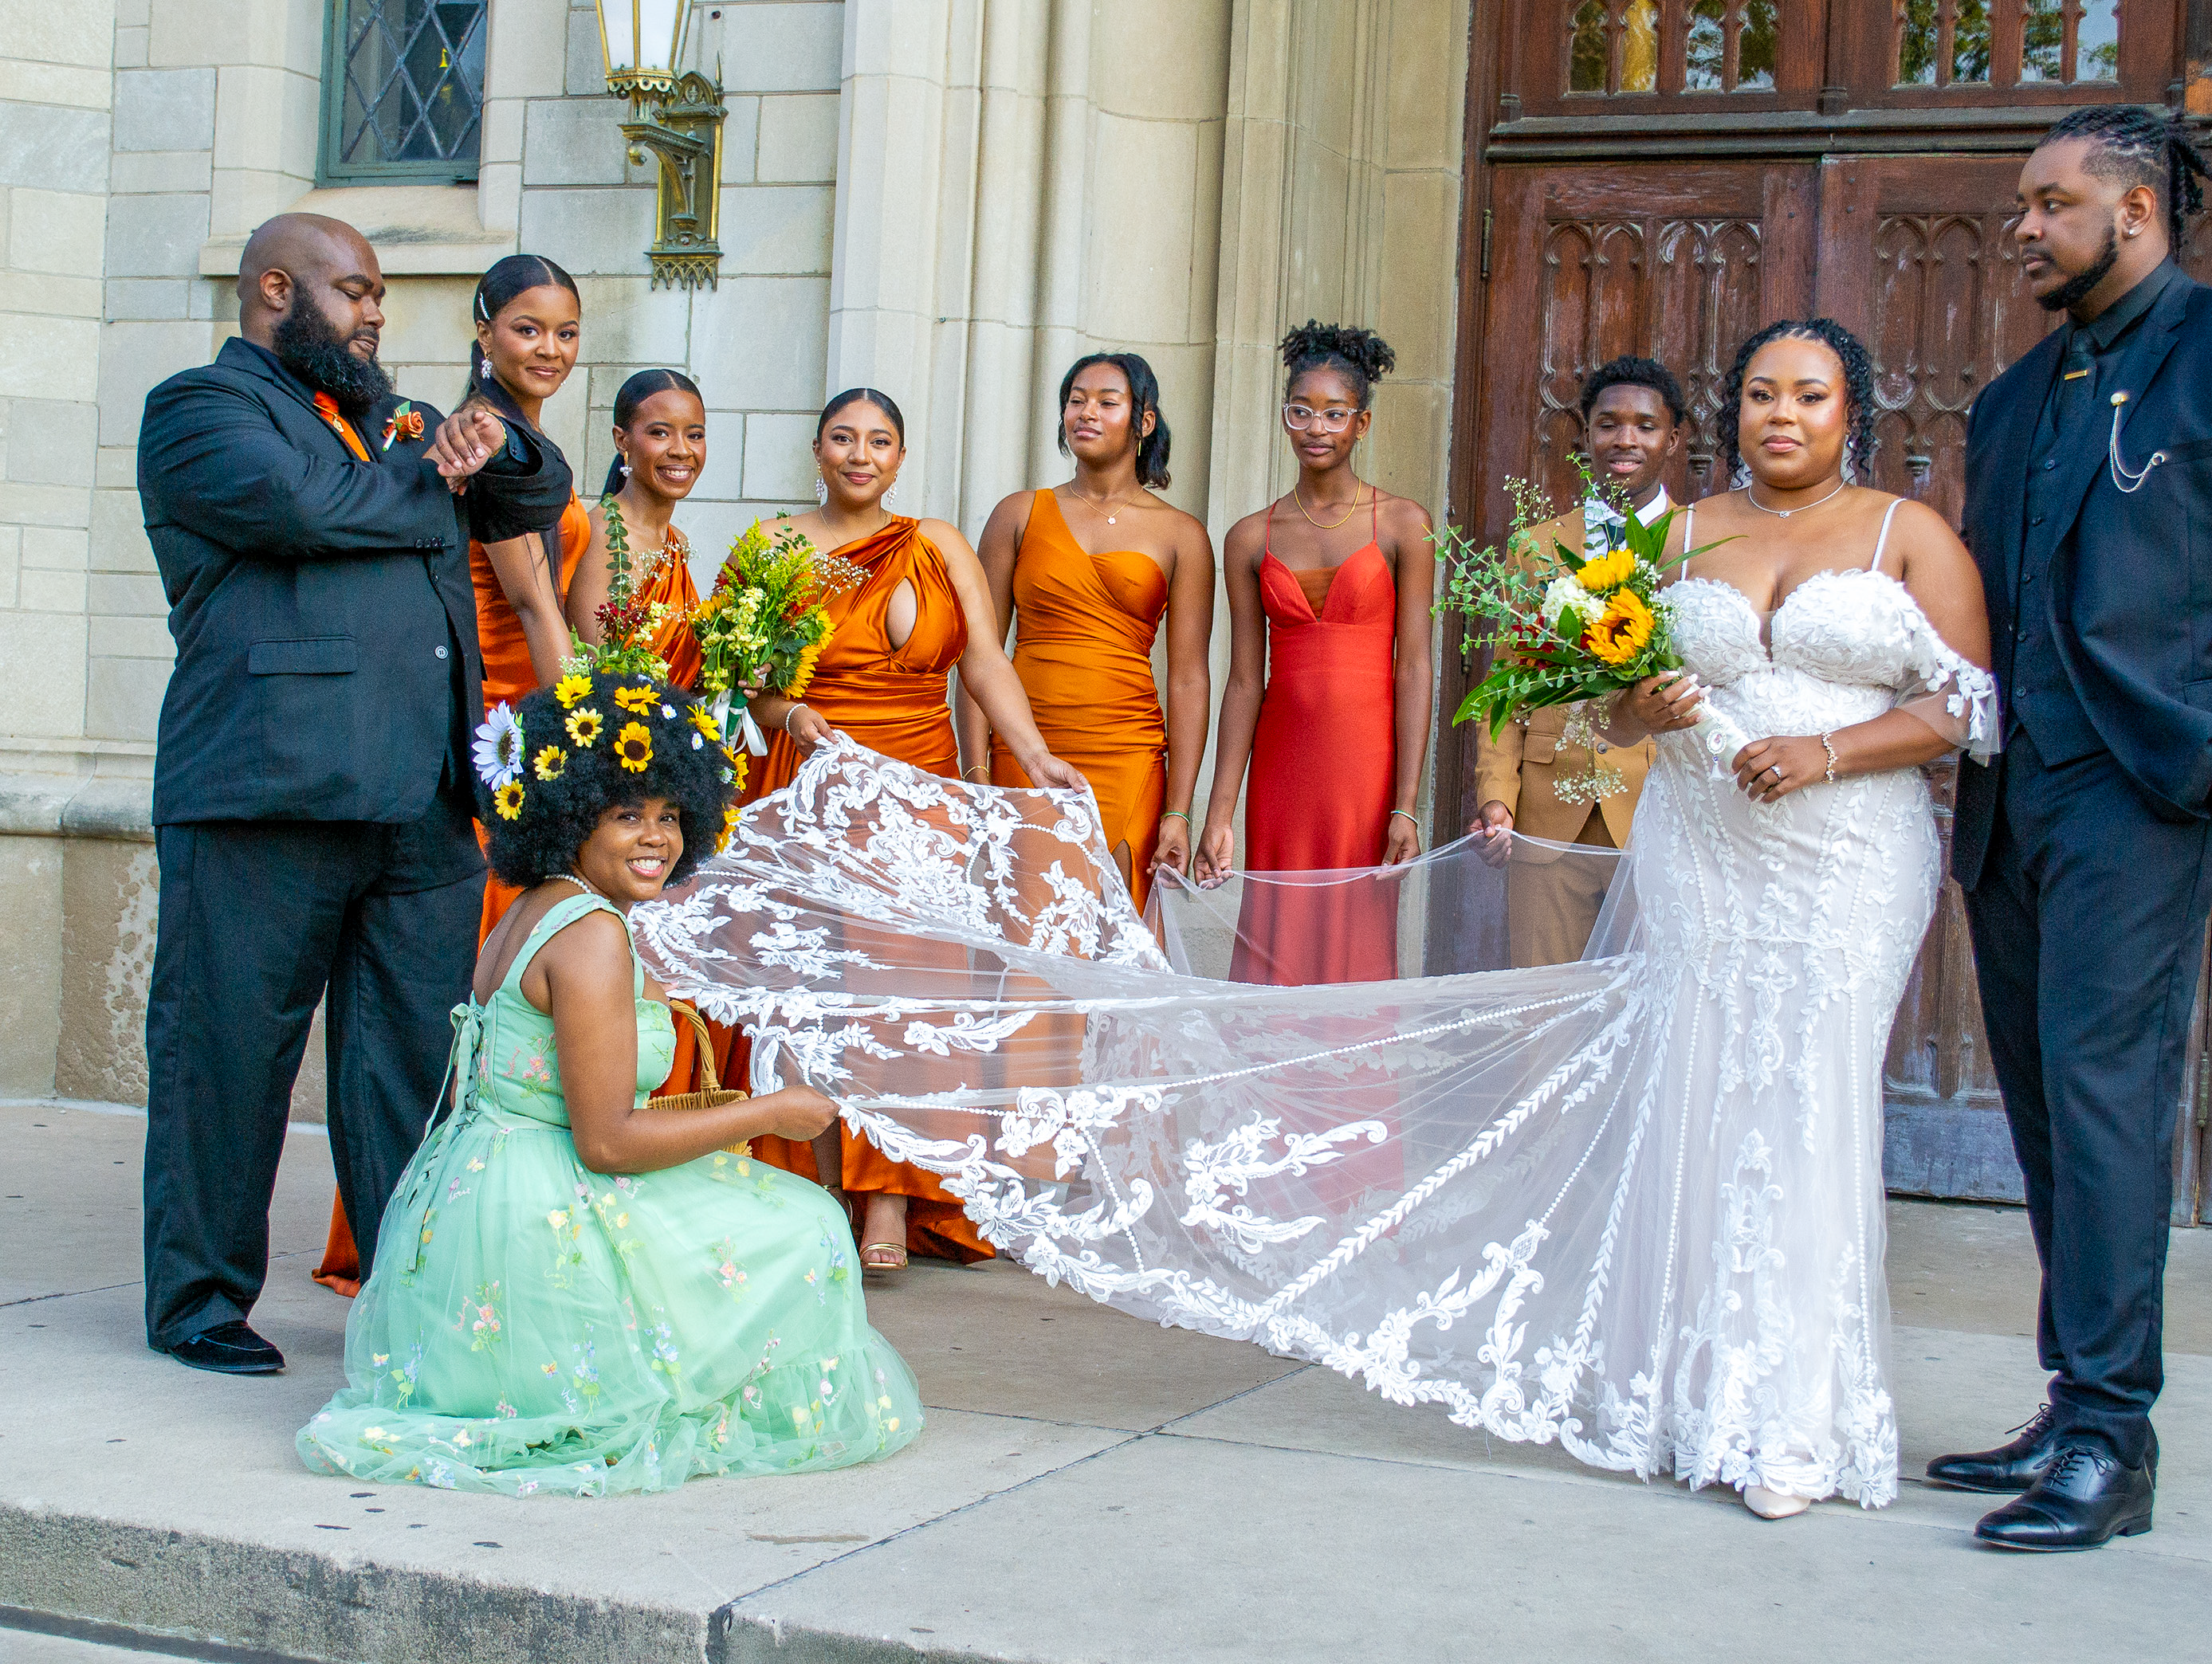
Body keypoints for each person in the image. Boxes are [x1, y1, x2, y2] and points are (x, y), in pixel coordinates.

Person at [641, 316, 1996, 1521]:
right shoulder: (1687, 536)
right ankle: (1701, 1389)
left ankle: (1806, 1411)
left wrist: (1821, 753)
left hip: (1829, 858)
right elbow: (1607, 687)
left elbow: (1970, 705)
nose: (1782, 415)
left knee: (1806, 1104)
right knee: (1701, 1094)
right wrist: (1650, 704)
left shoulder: (1907, 535)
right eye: (1763, 390)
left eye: (1808, 396)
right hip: (1698, 842)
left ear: (1852, 410)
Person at [1935, 108, 2212, 1552]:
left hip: (2152, 790)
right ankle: (2078, 1391)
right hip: (2013, 802)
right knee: (2049, 1113)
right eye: (2021, 206)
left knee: (2109, 1098)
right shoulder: (2010, 401)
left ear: (2135, 209)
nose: (2022, 228)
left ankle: (2111, 1437)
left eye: (2048, 204)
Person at [297, 666, 921, 1493]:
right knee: (806, 1226)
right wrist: (770, 1113)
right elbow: (608, 1142)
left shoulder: (539, 906)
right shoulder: (591, 935)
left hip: (479, 1201)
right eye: (628, 814)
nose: (656, 837)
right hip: (543, 1215)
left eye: (670, 815)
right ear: (571, 816)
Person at [137, 213, 572, 1374]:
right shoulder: (198, 411)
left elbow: (534, 495)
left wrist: (502, 443)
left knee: (411, 1070)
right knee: (226, 1057)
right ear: (278, 288)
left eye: (381, 295)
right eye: (356, 291)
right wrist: (439, 467)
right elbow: (305, 511)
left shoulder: (392, 419)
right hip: (267, 791)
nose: (378, 313)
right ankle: (198, 1304)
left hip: (424, 802)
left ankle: (410, 1289)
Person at [737, 387, 1087, 1273]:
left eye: (881, 440)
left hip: (921, 793)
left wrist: (1035, 756)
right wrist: (790, 715)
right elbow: (749, 682)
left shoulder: (938, 544)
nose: (862, 454)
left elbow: (984, 662)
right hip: (816, 783)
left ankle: (890, 1197)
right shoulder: (772, 546)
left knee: (909, 992)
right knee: (816, 989)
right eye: (844, 439)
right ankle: (812, 1188)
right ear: (817, 449)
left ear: (901, 456)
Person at [313, 253, 596, 1297]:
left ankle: (463, 1216)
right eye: (528, 329)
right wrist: (580, 764)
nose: (550, 350)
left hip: (515, 717)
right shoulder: (494, 448)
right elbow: (532, 612)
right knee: (463, 994)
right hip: (500, 742)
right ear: (483, 331)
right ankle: (416, 1229)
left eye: (566, 332)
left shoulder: (512, 437)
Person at [1194, 323, 1436, 984]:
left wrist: (1406, 803)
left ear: (1363, 423)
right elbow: (1245, 682)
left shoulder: (1405, 524)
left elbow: (1414, 666)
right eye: (1301, 410)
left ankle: (1355, 1090)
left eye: (1335, 413)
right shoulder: (1249, 537)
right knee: (1278, 939)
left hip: (1366, 769)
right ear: (1284, 417)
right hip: (1283, 770)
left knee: (1358, 940)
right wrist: (1220, 814)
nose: (1316, 427)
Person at [961, 352, 1216, 910]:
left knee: (1112, 937)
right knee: (1026, 928)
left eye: (1106, 402)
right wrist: (975, 772)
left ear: (1144, 421)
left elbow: (1191, 681)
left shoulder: (1182, 534)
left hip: (1129, 754)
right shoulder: (1018, 514)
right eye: (1076, 400)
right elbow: (978, 654)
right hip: (1025, 748)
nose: (1086, 413)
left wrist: (1179, 810)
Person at [1469, 355, 1684, 967]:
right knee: (1544, 1011)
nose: (1625, 440)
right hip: (1544, 818)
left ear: (1674, 438)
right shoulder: (1536, 549)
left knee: (1657, 1013)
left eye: (1645, 425)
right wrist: (1496, 795)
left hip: (1660, 813)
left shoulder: (1697, 542)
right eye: (1608, 424)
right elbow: (1504, 687)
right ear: (1585, 435)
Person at [566, 370, 705, 689]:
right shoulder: (602, 536)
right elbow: (596, 672)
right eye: (660, 433)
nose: (682, 450)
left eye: (695, 435)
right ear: (621, 439)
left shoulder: (676, 540)